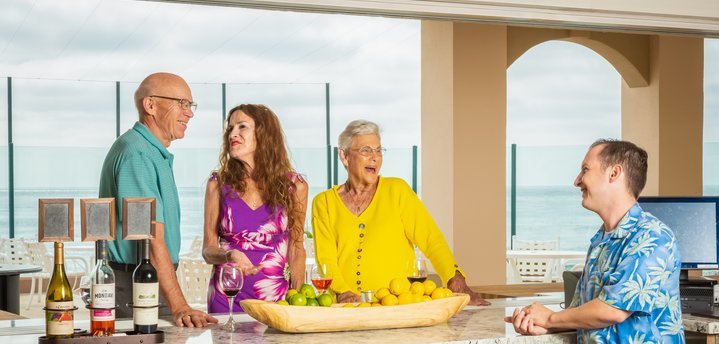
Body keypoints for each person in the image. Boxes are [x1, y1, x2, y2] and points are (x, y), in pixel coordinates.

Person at [506, 139, 686, 344]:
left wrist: (550, 318)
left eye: (585, 170)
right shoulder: (601, 240)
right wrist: (545, 324)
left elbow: (612, 310)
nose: (577, 180)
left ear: (614, 174)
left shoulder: (653, 237)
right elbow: (583, 313)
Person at [311, 119, 486, 305]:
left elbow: (431, 239)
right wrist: (342, 291)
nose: (375, 157)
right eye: (366, 150)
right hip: (346, 310)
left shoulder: (397, 190)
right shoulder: (324, 203)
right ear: (344, 156)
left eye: (379, 150)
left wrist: (454, 278)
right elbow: (326, 260)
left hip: (398, 306)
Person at [99, 72, 216, 328]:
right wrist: (180, 306)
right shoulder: (137, 154)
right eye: (181, 103)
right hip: (139, 285)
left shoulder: (149, 151)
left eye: (190, 105)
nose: (189, 113)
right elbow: (150, 238)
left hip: (150, 279)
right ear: (150, 105)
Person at [202, 104, 308, 312]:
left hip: (276, 301)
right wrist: (228, 255)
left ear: (263, 134)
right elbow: (208, 250)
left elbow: (296, 249)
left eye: (242, 127)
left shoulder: (294, 186)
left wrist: (297, 301)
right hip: (227, 298)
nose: (233, 134)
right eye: (230, 128)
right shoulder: (218, 184)